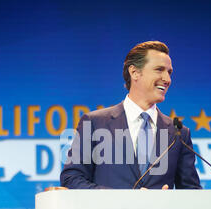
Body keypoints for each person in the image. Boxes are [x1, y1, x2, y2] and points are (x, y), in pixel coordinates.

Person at [60, 41, 201, 189]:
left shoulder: (178, 133)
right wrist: (123, 199)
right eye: (159, 70)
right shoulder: (95, 123)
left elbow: (191, 191)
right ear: (134, 72)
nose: (167, 79)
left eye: (169, 72)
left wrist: (169, 200)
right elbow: (72, 178)